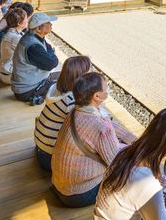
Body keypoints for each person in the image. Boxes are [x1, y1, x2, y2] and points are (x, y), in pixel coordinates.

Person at [51, 72, 125, 207]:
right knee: (129, 172)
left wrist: (128, 138)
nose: (108, 89)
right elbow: (116, 162)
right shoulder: (101, 127)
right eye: (105, 87)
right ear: (97, 96)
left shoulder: (75, 112)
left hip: (60, 185)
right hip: (78, 194)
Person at [34, 55, 93, 171]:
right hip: (50, 157)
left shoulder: (56, 88)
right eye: (90, 71)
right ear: (81, 78)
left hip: (41, 147)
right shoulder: (71, 101)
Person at [10, 11, 60, 103]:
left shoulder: (34, 37)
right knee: (69, 83)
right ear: (38, 29)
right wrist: (52, 53)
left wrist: (51, 53)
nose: (51, 24)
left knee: (68, 73)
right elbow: (52, 63)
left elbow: (50, 53)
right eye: (48, 23)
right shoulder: (33, 46)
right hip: (29, 90)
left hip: (32, 83)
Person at [0, 7, 27, 84]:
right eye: (26, 19)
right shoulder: (15, 37)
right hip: (10, 75)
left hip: (6, 72)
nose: (27, 20)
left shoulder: (11, 33)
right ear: (19, 23)